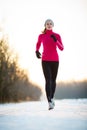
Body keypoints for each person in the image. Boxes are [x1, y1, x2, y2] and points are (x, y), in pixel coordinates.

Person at [35, 19, 64, 110]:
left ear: (53, 25)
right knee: (48, 80)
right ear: (45, 25)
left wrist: (56, 40)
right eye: (47, 24)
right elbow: (38, 44)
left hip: (55, 60)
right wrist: (36, 51)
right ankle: (49, 101)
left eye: (51, 23)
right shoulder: (41, 36)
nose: (49, 25)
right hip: (45, 60)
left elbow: (62, 48)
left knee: (53, 80)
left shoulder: (57, 35)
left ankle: (51, 97)